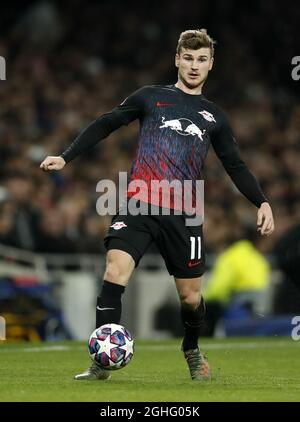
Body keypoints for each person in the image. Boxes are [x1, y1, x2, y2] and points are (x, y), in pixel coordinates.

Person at [40, 29, 275, 381]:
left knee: (191, 298)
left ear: (211, 64)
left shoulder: (215, 117)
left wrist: (262, 201)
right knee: (114, 271)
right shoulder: (150, 97)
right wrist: (65, 156)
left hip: (184, 209)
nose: (194, 66)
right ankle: (102, 362)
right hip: (138, 203)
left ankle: (192, 349)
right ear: (177, 59)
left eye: (201, 60)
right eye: (188, 58)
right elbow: (107, 123)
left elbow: (235, 165)